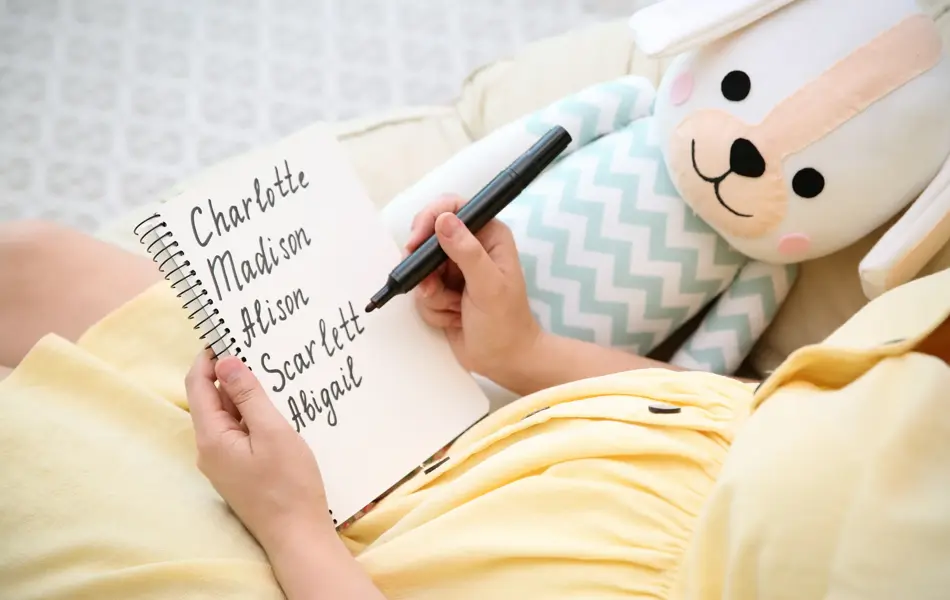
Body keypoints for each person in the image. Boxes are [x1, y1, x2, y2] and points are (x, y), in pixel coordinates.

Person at [0, 195, 948, 599]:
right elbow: (762, 416)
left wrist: (292, 528)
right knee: (27, 263)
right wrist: (527, 351)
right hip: (429, 448)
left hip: (344, 569)